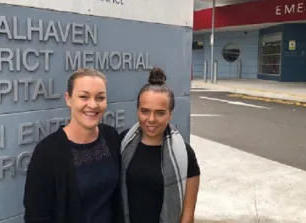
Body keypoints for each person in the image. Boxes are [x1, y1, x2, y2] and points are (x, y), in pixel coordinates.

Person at [23, 68, 123, 223]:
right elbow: (36, 216)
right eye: (84, 96)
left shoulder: (111, 137)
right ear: (68, 99)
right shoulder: (47, 153)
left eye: (100, 97)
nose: (93, 104)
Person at [120, 67, 200, 223]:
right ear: (137, 111)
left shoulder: (185, 154)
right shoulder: (123, 142)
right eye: (145, 111)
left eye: (160, 113)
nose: (151, 119)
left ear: (170, 114)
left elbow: (188, 217)